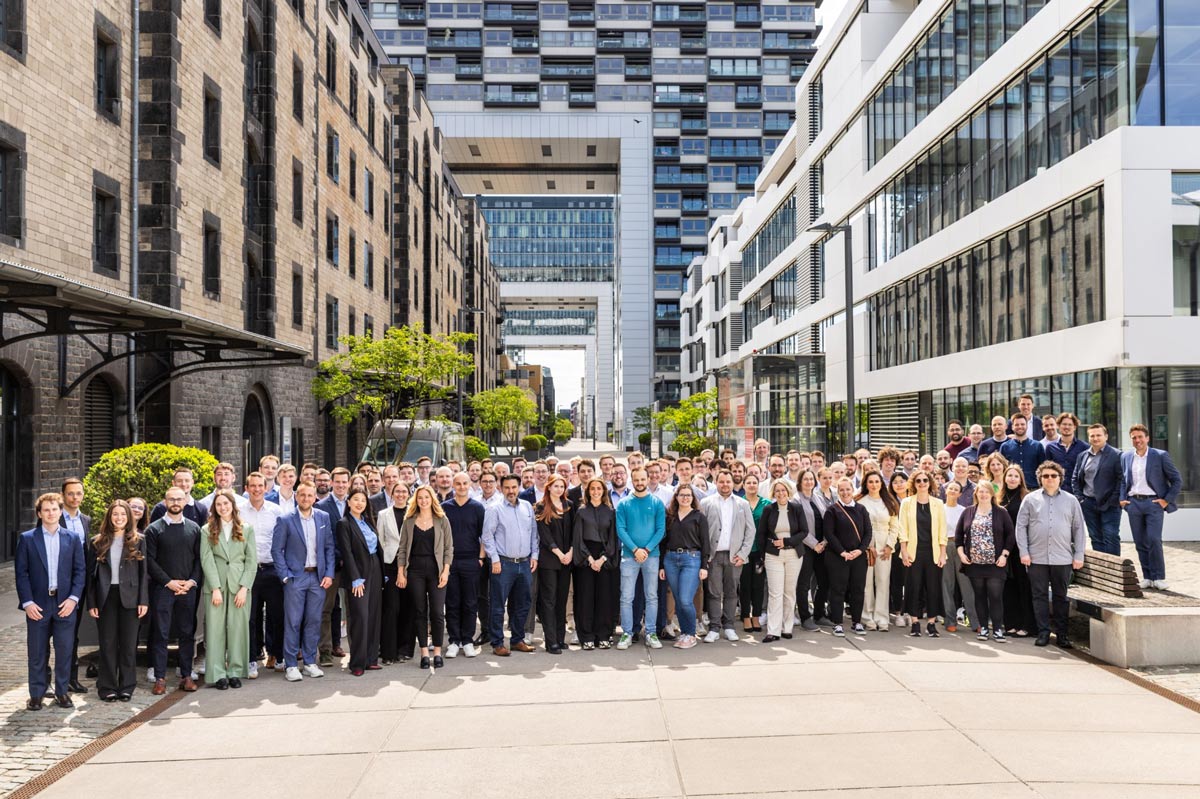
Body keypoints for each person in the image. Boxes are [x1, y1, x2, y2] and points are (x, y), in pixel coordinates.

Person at [17, 493, 86, 710]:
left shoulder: (72, 538)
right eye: (46, 510)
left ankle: (62, 692)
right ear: (39, 513)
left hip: (65, 603)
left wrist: (73, 599)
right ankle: (36, 694)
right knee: (37, 652)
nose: (51, 513)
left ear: (60, 511)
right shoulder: (28, 538)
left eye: (54, 509)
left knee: (65, 650)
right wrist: (27, 602)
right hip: (37, 604)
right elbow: (22, 573)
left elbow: (80, 571)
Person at [1016, 462, 1086, 647]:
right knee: (1039, 596)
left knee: (1060, 597)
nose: (1049, 479)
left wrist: (1079, 554)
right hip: (1036, 557)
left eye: (1053, 476)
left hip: (1062, 558)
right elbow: (1021, 527)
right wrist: (1024, 552)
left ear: (1060, 478)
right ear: (1040, 478)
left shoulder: (1071, 500)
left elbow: (1079, 528)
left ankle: (1062, 635)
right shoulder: (1030, 499)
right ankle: (1043, 633)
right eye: (1045, 476)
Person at [271, 482, 335, 682]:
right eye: (303, 495)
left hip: (318, 577)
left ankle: (309, 662)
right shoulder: (285, 519)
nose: (306, 498)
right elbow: (276, 550)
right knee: (293, 621)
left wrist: (329, 574)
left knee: (314, 620)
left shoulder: (323, 517)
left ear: (315, 497)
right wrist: (285, 575)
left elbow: (329, 548)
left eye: (310, 495)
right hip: (295, 578)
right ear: (297, 497)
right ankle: (291, 665)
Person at [88, 500, 148, 702]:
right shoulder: (97, 542)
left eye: (123, 514)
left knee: (129, 644)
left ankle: (127, 686)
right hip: (106, 597)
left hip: (130, 597)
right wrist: (92, 603)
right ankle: (107, 686)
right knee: (107, 643)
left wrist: (143, 600)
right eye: (115, 514)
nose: (119, 518)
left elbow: (143, 573)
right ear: (109, 517)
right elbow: (91, 577)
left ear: (129, 517)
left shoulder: (139, 540)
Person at [145, 486, 203, 694]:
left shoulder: (195, 528)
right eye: (172, 499)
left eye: (179, 499)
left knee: (187, 632)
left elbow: (199, 559)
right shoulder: (153, 529)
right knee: (160, 633)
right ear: (165, 501)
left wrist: (191, 582)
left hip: (188, 589)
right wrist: (169, 582)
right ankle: (160, 678)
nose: (176, 503)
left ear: (186, 500)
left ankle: (186, 675)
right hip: (163, 589)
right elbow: (150, 561)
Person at [199, 490, 256, 689]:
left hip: (239, 585)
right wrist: (215, 587)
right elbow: (206, 560)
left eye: (226, 503)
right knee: (215, 630)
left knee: (238, 629)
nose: (223, 507)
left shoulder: (246, 529)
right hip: (215, 586)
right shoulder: (207, 530)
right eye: (219, 504)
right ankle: (217, 673)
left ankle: (235, 671)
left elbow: (251, 561)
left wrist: (244, 587)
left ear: (233, 504)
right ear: (214, 508)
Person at [1120, 423, 1182, 590]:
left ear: (1147, 438)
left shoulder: (1160, 455)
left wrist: (1165, 500)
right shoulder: (1126, 457)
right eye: (1134, 437)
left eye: (1140, 437)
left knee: (1154, 540)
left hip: (1153, 503)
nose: (1137, 440)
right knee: (1140, 542)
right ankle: (1147, 577)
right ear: (1131, 440)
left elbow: (1177, 480)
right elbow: (1123, 481)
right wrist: (1122, 500)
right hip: (1133, 504)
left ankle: (1159, 577)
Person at [482, 475, 539, 656]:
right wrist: (495, 559)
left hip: (524, 563)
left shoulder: (527, 507)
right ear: (501, 488)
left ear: (519, 487)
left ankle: (517, 639)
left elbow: (533, 534)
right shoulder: (494, 509)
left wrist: (534, 555)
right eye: (507, 487)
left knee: (523, 603)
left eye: (514, 487)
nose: (511, 491)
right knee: (498, 605)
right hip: (503, 564)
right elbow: (487, 536)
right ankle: (497, 643)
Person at [955, 481, 1015, 642]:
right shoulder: (968, 512)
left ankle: (997, 629)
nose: (983, 494)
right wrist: (961, 554)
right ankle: (983, 629)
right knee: (979, 596)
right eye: (980, 492)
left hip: (995, 564)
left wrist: (1004, 555)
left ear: (992, 494)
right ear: (976, 494)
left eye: (986, 492)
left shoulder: (1001, 512)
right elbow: (959, 537)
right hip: (974, 564)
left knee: (995, 596)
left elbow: (1010, 535)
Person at [699, 470, 755, 643]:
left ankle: (729, 626)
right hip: (713, 556)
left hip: (734, 556)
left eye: (728, 482)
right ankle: (714, 627)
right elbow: (700, 531)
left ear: (733, 483)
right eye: (721, 482)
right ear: (716, 482)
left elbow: (750, 530)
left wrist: (743, 554)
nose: (725, 485)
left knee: (731, 592)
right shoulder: (706, 503)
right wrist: (705, 555)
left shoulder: (742, 504)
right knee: (714, 593)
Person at [615, 467, 667, 649]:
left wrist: (646, 549)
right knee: (626, 597)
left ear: (647, 479)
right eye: (636, 480)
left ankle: (651, 632)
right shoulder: (623, 504)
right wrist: (635, 549)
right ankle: (627, 633)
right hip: (629, 557)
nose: (640, 482)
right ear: (632, 480)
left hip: (652, 557)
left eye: (642, 479)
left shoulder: (657, 503)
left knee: (652, 596)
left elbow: (661, 529)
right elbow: (620, 530)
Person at [338, 488, 385, 675]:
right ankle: (357, 663)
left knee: (374, 616)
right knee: (360, 617)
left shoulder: (367, 522)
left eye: (363, 500)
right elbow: (347, 553)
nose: (359, 503)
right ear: (348, 502)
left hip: (375, 570)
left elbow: (376, 548)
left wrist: (383, 572)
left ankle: (371, 659)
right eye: (355, 499)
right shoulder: (343, 524)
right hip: (358, 574)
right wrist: (356, 578)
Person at [242, 472, 283, 679]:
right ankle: (251, 658)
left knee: (277, 615)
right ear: (247, 488)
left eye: (260, 486)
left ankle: (276, 654)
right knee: (250, 617)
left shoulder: (276, 511)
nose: (257, 489)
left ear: (266, 488)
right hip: (248, 571)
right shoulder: (239, 511)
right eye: (253, 486)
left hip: (272, 569)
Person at [657, 484, 709, 649]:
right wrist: (661, 566)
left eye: (688, 495)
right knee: (678, 599)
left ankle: (691, 634)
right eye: (682, 495)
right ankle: (685, 634)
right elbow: (663, 543)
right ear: (676, 497)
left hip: (691, 559)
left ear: (693, 498)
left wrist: (704, 566)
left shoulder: (699, 517)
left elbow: (705, 543)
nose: (685, 498)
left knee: (686, 599)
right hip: (670, 559)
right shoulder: (669, 516)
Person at [442, 472, 486, 658]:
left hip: (471, 560)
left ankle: (467, 639)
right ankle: (454, 640)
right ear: (453, 485)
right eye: (458, 483)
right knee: (452, 602)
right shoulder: (444, 508)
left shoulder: (477, 507)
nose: (461, 487)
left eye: (464, 483)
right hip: (450, 561)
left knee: (470, 602)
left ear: (470, 484)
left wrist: (481, 558)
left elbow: (484, 535)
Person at [572, 478, 619, 650]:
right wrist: (590, 559)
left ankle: (603, 635)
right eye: (593, 489)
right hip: (586, 559)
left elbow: (613, 539)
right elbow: (578, 539)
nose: (596, 491)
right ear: (588, 491)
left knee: (604, 598)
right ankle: (587, 636)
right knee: (586, 597)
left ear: (604, 491)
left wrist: (603, 558)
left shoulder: (610, 512)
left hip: (604, 557)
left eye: (599, 488)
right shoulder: (582, 512)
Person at [822, 478, 872, 638]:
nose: (845, 493)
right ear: (838, 491)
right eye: (841, 490)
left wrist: (860, 550)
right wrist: (842, 552)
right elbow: (829, 534)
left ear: (852, 490)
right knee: (838, 590)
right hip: (837, 557)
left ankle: (857, 622)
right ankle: (837, 623)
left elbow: (868, 533)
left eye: (848, 489)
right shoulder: (832, 510)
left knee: (858, 589)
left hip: (858, 556)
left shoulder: (862, 509)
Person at [899, 471, 946, 638]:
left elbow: (942, 531)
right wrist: (903, 551)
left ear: (930, 482)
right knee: (913, 587)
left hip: (933, 552)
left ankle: (931, 623)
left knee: (933, 588)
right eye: (918, 480)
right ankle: (915, 622)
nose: (922, 483)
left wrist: (942, 553)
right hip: (913, 552)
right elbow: (902, 528)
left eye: (925, 480)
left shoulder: (938, 504)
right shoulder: (906, 503)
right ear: (914, 483)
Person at [758, 480, 807, 642]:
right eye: (777, 491)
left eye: (783, 490)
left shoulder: (797, 508)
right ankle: (773, 630)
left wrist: (786, 542)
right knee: (775, 593)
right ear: (773, 493)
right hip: (773, 556)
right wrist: (763, 554)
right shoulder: (768, 509)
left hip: (793, 555)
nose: (780, 493)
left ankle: (787, 628)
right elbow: (762, 534)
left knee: (789, 592)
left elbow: (804, 532)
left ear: (788, 491)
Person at [57, 478, 91, 694]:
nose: (75, 498)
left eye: (79, 493)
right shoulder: (52, 516)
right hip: (56, 583)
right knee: (51, 635)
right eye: (70, 494)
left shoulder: (85, 520)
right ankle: (51, 680)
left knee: (73, 633)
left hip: (78, 585)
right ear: (63, 496)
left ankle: (71, 678)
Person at [535, 475, 574, 654]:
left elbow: (575, 531)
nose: (559, 489)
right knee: (549, 600)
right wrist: (558, 553)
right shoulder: (541, 506)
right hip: (550, 560)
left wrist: (570, 552)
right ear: (549, 487)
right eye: (556, 486)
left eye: (562, 486)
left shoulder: (569, 506)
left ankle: (560, 637)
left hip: (567, 560)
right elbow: (544, 535)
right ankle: (551, 641)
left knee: (561, 599)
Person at [1073, 423, 1124, 557]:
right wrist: (1080, 498)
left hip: (1110, 504)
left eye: (1098, 435)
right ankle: (1101, 572)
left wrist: (1113, 500)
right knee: (1095, 537)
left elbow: (1121, 480)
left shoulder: (1116, 455)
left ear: (1106, 436)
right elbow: (1075, 478)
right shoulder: (1083, 455)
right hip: (1088, 503)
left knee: (1110, 536)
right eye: (1092, 436)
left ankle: (1114, 572)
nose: (1095, 438)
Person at [315, 467, 350, 666]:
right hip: (332, 565)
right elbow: (324, 539)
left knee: (354, 609)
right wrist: (339, 557)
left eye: (344, 482)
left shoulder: (356, 501)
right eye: (337, 482)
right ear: (331, 483)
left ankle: (358, 649)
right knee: (326, 609)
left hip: (354, 566)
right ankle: (326, 650)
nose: (341, 485)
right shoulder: (321, 506)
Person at [377, 481, 414, 664]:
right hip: (390, 565)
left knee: (408, 608)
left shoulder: (415, 513)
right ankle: (388, 652)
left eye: (403, 492)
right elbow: (380, 540)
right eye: (397, 491)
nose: (400, 494)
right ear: (391, 494)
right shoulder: (383, 514)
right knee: (391, 609)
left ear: (408, 494)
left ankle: (405, 649)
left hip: (411, 566)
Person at [857, 471, 898, 633]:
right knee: (866, 583)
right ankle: (867, 617)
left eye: (877, 481)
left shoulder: (889, 502)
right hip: (867, 545)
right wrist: (866, 546)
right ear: (866, 484)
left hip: (884, 545)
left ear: (881, 483)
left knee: (883, 582)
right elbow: (858, 527)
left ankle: (882, 617)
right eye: (870, 482)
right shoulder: (860, 502)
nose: (874, 485)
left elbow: (895, 527)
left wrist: (889, 546)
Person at [998, 465, 1034, 637]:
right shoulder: (999, 497)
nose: (1012, 478)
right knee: (1007, 587)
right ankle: (1010, 623)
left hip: (1021, 548)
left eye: (1016, 476)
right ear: (1004, 478)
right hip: (1005, 549)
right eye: (1009, 475)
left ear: (1021, 479)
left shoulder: (1027, 497)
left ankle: (1026, 624)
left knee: (1023, 586)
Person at [794, 470, 828, 632]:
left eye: (811, 479)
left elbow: (826, 521)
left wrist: (824, 542)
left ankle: (819, 614)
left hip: (822, 547)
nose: (808, 482)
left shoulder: (819, 498)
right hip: (806, 547)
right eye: (805, 479)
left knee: (824, 582)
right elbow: (798, 527)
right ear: (800, 482)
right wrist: (814, 544)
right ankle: (805, 617)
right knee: (803, 584)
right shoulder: (796, 500)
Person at [940, 481, 974, 632]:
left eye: (956, 489)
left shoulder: (964, 510)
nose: (953, 491)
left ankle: (975, 621)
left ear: (960, 494)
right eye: (951, 488)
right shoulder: (939, 508)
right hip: (943, 547)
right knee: (947, 585)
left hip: (960, 547)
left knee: (966, 585)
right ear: (946, 490)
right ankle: (950, 621)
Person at [739, 473, 770, 633]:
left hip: (760, 551)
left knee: (758, 586)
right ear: (744, 485)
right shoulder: (738, 502)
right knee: (744, 586)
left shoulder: (767, 504)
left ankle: (756, 616)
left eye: (754, 482)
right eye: (748, 482)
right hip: (743, 551)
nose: (752, 485)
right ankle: (745, 617)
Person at [1046, 413, 1087, 495]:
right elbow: (1047, 470)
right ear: (1058, 426)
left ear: (1074, 427)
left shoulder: (1084, 447)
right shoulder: (1050, 448)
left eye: (1070, 425)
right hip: (1056, 491)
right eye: (1064, 424)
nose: (1067, 427)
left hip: (1078, 492)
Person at [1001, 415, 1044, 489]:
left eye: (1022, 424)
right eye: (1016, 425)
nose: (1020, 426)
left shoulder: (1038, 446)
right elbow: (1002, 469)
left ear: (1027, 426)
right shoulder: (1005, 447)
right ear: (1012, 427)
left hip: (1033, 488)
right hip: (1012, 489)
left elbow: (1042, 468)